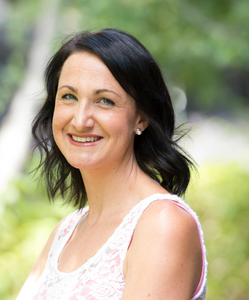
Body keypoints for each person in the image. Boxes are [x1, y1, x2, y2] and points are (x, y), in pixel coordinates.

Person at [16, 28, 207, 300]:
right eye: (69, 96)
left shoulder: (163, 225)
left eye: (105, 101)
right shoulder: (65, 232)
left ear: (141, 118)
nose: (81, 120)